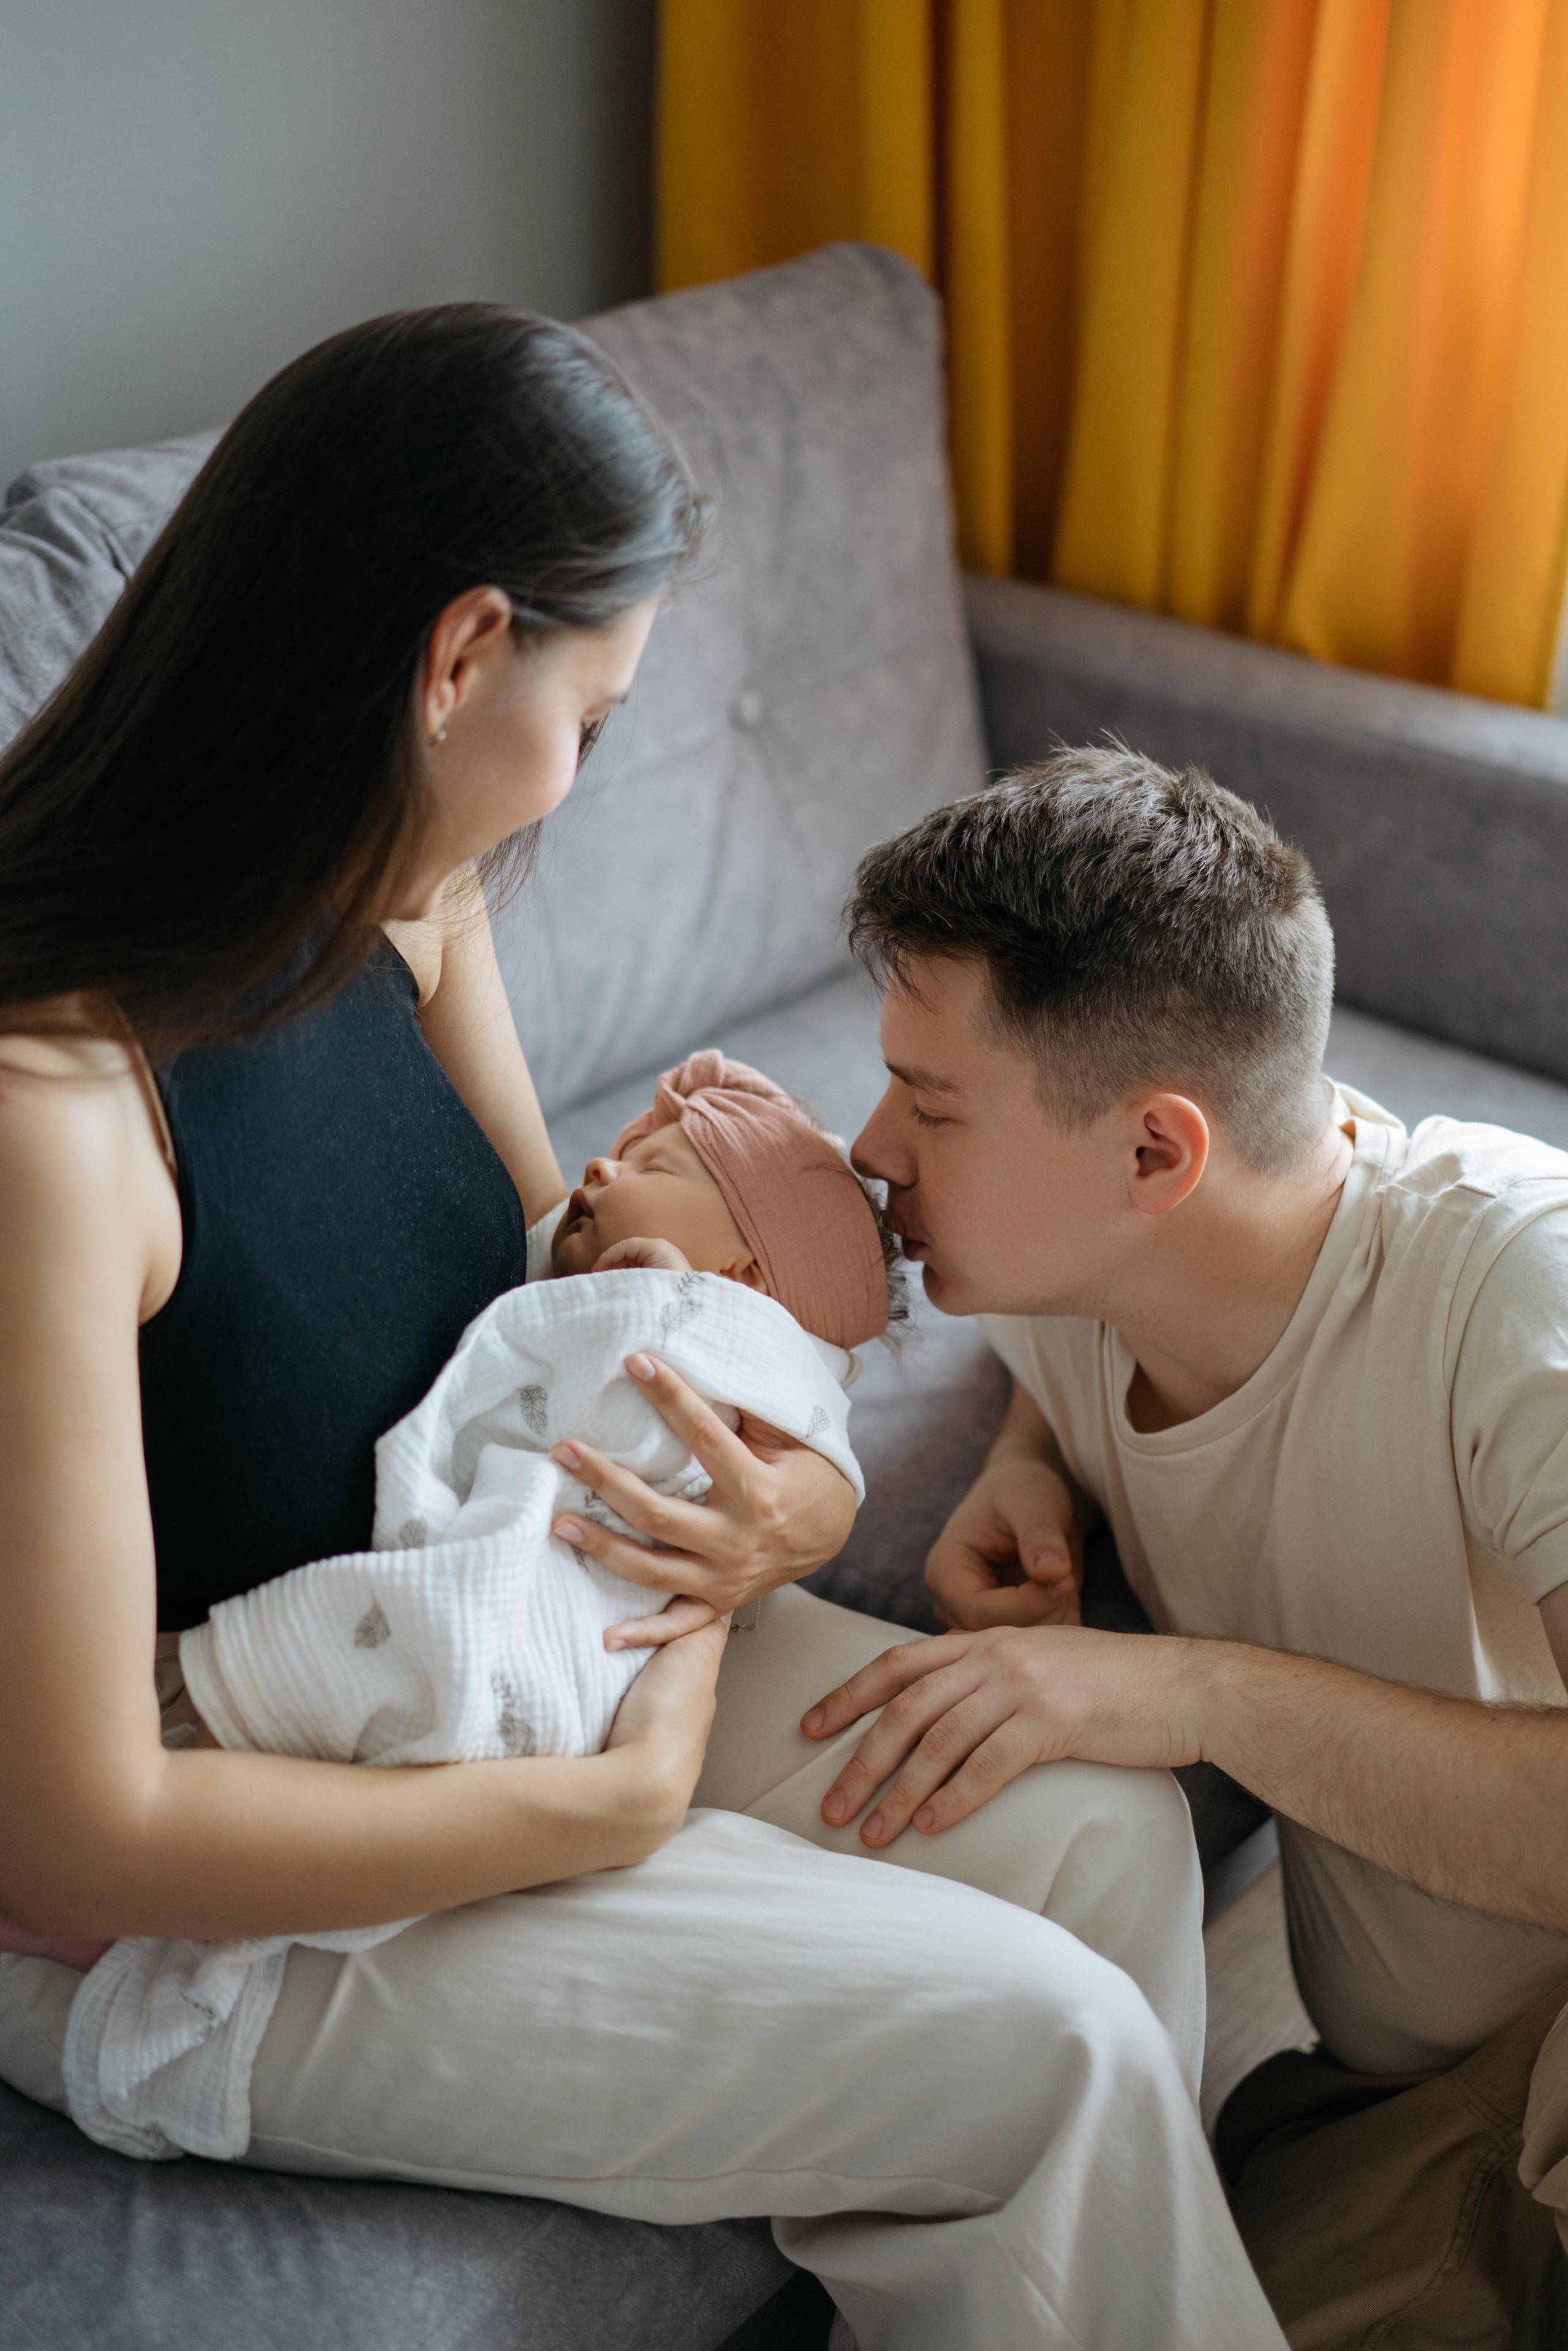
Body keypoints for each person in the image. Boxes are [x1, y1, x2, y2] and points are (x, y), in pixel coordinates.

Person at [0, 311, 1286, 2350]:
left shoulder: (404, 897)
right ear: (459, 656)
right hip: (222, 1872)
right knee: (1050, 2048)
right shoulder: (55, 1118)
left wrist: (791, 1506)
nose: (577, 781)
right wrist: (603, 1805)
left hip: (488, 1614)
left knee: (1102, 1836)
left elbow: (570, 1266)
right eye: (589, 720)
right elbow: (79, 1830)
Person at [810, 745, 1568, 2345]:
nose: (872, 1147)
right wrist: (1030, 1465)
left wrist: (1190, 1693)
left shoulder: (1516, 1288)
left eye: (930, 1106)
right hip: (1390, 2103)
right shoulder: (1076, 1280)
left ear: (1158, 1153)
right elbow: (1078, 1380)